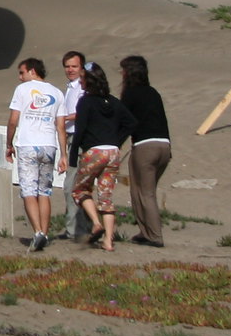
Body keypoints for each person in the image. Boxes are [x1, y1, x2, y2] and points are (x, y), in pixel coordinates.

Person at [70, 65, 137, 252]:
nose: (80, 81)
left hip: (94, 152)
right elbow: (131, 122)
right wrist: (117, 140)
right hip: (113, 152)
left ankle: (95, 222)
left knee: (80, 190)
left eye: (82, 78)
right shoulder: (113, 101)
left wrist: (73, 154)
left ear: (88, 80)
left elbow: (80, 129)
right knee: (106, 196)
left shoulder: (86, 102)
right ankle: (108, 241)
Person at [5, 58, 65, 253]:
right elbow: (61, 126)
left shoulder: (22, 90)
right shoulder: (57, 92)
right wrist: (64, 154)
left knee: (29, 190)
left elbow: (13, 120)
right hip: (49, 144)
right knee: (44, 191)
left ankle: (38, 231)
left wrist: (9, 144)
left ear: (32, 71)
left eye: (21, 72)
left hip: (28, 144)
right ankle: (45, 234)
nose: (20, 77)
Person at [119, 56, 173, 248]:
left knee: (145, 193)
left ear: (129, 73)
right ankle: (145, 231)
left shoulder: (131, 93)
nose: (122, 74)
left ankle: (155, 236)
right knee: (139, 190)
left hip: (145, 146)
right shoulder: (153, 92)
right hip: (164, 146)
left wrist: (116, 143)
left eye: (123, 71)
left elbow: (124, 121)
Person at [58, 51, 90, 241]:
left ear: (82, 68)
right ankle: (78, 227)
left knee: (73, 185)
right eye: (67, 66)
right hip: (70, 137)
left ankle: (76, 230)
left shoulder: (82, 87)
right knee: (73, 184)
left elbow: (83, 113)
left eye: (74, 66)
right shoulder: (70, 87)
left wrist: (62, 118)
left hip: (79, 138)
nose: (70, 70)